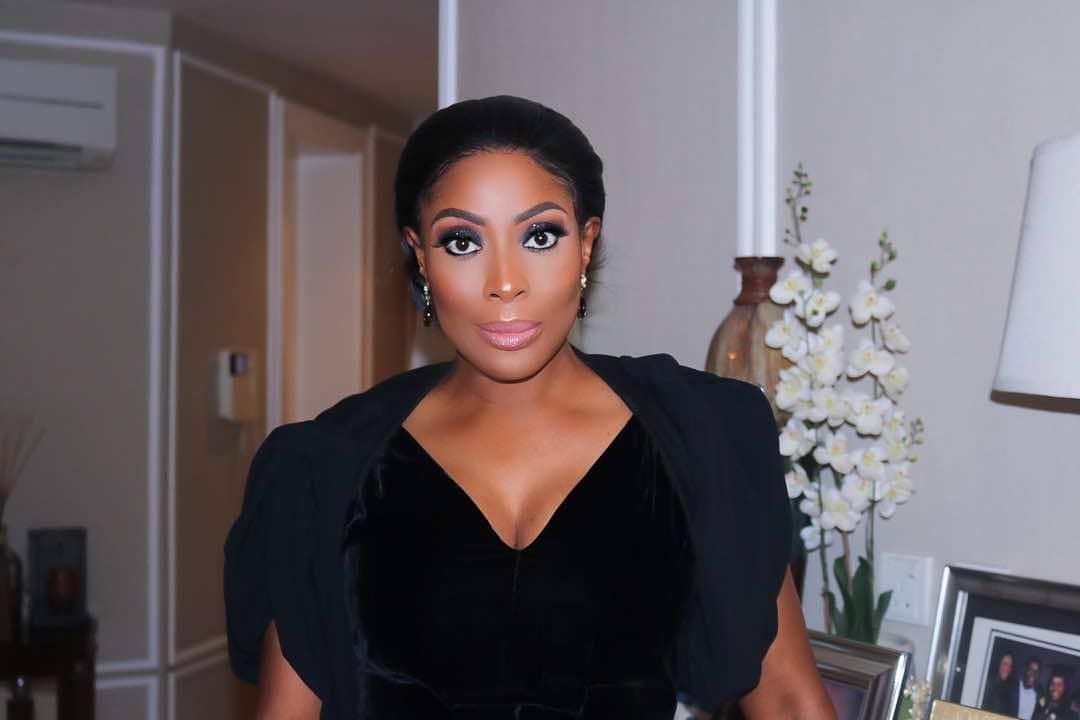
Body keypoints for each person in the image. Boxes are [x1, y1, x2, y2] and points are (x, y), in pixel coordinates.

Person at [224, 95, 835, 719]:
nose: (505, 282)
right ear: (421, 256)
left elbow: (789, 702)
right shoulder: (324, 466)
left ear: (586, 244)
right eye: (462, 242)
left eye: (540, 236)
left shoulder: (701, 437)